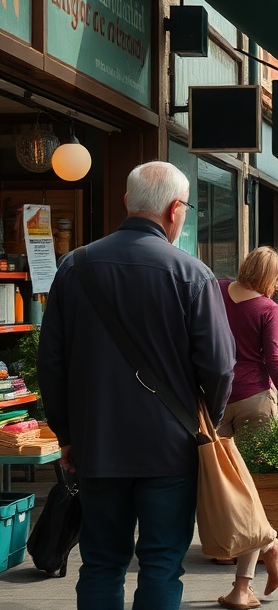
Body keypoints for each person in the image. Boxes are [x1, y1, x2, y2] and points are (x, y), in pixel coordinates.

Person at [36, 161, 237, 610]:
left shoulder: (75, 267)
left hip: (97, 445)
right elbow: (221, 367)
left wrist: (66, 435)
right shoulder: (192, 274)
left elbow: (51, 363)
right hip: (170, 448)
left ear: (128, 202)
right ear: (173, 211)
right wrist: (209, 420)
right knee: (162, 563)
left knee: (101, 563)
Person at [215, 246, 278, 608]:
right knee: (251, 491)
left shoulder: (216, 291)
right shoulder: (268, 309)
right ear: (266, 276)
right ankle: (245, 581)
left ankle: (254, 564)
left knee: (217, 486)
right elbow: (274, 359)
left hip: (213, 402)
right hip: (255, 402)